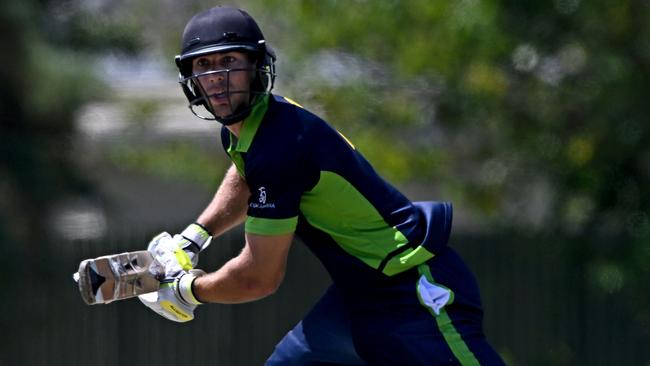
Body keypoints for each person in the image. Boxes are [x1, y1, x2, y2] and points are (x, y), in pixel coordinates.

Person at [139, 5, 506, 365]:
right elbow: (249, 177)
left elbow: (259, 278)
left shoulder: (280, 144)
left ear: (256, 66)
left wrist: (189, 290)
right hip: (356, 294)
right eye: (203, 64)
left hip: (413, 289)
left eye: (230, 60)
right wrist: (194, 238)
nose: (216, 75)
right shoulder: (254, 127)